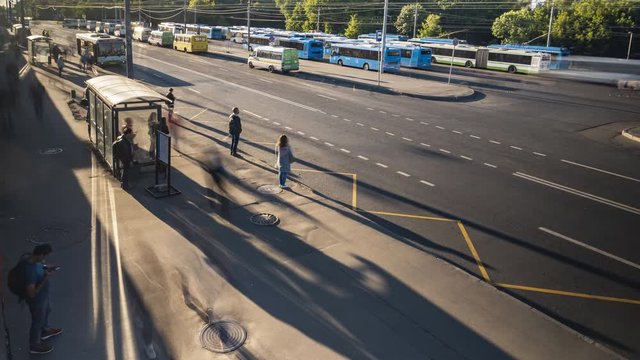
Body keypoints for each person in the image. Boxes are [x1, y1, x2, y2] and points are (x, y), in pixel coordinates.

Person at [24, 243, 62, 355]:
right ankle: (34, 345)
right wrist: (45, 277)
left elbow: (40, 267)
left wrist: (46, 268)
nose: (45, 259)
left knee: (47, 310)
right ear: (40, 254)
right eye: (44, 256)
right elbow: (32, 292)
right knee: (37, 320)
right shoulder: (30, 271)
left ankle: (45, 330)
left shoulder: (34, 260)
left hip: (43, 296)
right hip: (37, 299)